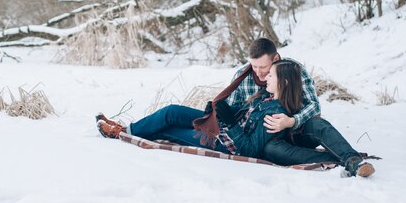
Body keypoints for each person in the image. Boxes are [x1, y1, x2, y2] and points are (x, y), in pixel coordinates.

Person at [225, 38, 375, 177]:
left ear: (275, 59)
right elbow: (232, 110)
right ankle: (334, 158)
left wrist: (291, 121)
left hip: (298, 131)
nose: (258, 73)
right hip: (269, 139)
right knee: (271, 150)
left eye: (263, 67)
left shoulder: (294, 71)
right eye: (254, 66)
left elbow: (314, 106)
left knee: (318, 124)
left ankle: (353, 160)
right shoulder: (243, 76)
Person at [97, 60, 302, 160]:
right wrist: (220, 111)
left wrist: (230, 123)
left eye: (271, 76)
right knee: (171, 112)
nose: (265, 77)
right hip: (221, 126)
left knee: (168, 131)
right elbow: (244, 115)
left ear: (283, 82)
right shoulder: (267, 96)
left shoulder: (276, 114)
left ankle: (120, 134)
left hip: (224, 142)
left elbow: (248, 149)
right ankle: (128, 129)